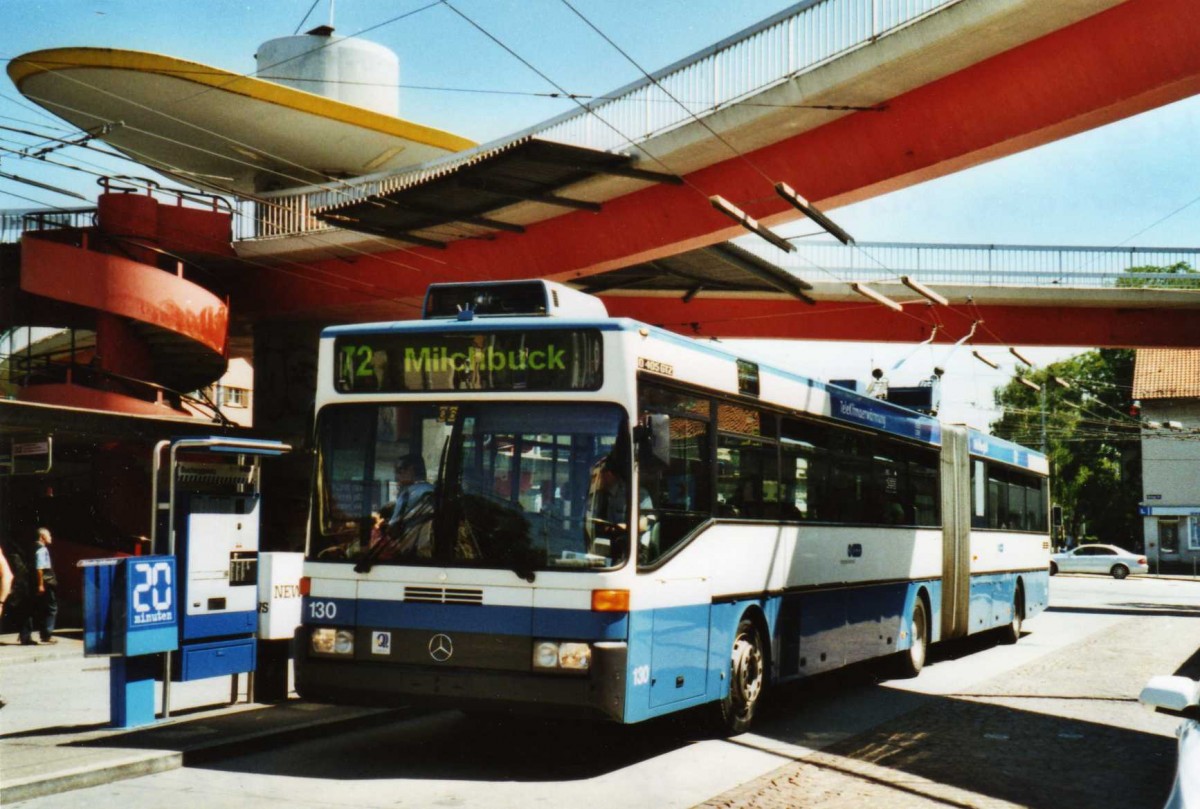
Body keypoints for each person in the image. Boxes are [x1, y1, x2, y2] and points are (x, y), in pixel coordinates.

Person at [32, 527, 57, 644]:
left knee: (43, 608)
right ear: (42, 537)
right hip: (46, 583)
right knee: (51, 608)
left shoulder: (34, 547)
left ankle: (43, 634)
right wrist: (41, 584)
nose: (51, 538)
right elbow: (40, 568)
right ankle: (47, 635)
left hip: (42, 582)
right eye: (49, 536)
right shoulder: (42, 550)